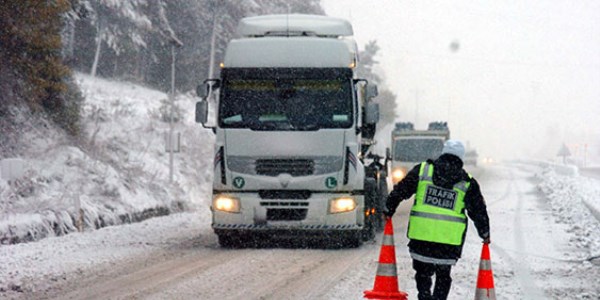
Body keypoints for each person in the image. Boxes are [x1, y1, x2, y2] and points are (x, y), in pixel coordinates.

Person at [384, 139, 490, 300]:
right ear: (460, 157)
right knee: (443, 275)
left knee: (422, 273)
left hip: (421, 239)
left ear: (443, 153)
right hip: (447, 243)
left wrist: (389, 208)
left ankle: (424, 296)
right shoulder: (467, 182)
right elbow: (478, 210)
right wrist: (485, 232)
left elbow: (402, 189)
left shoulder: (423, 171)